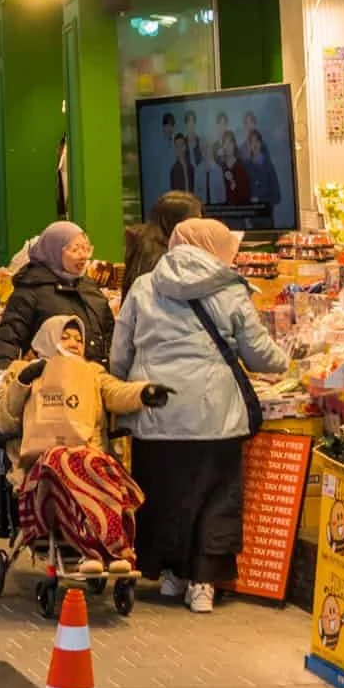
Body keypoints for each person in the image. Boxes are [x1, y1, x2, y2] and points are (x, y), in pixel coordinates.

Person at [111, 217, 288, 613]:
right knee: (215, 497)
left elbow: (121, 350)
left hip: (154, 411)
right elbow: (259, 353)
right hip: (214, 415)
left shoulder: (144, 286)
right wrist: (286, 361)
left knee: (163, 494)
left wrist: (122, 393)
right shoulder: (229, 288)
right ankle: (203, 583)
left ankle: (171, 575)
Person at [0, 316, 167, 573]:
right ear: (47, 338)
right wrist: (23, 383)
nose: (74, 343)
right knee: (60, 460)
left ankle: (108, 551)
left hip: (88, 460)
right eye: (65, 337)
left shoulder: (92, 373)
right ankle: (94, 550)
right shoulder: (22, 370)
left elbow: (117, 392)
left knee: (96, 465)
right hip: (40, 468)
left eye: (79, 339)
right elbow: (2, 420)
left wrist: (143, 393)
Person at [0, 220, 114, 369]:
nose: (83, 256)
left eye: (86, 249)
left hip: (93, 377)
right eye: (75, 250)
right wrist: (1, 375)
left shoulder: (89, 287)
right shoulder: (31, 289)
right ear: (54, 251)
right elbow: (8, 339)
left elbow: (110, 334)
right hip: (51, 378)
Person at [123, 190, 204, 284]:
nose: (202, 225)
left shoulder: (144, 241)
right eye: (197, 220)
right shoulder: (165, 259)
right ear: (176, 222)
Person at [243, 126, 281, 207]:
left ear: (261, 143)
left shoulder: (269, 166)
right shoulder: (246, 167)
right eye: (252, 142)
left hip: (265, 212)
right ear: (249, 146)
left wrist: (260, 200)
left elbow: (277, 197)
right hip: (251, 212)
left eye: (256, 141)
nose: (254, 144)